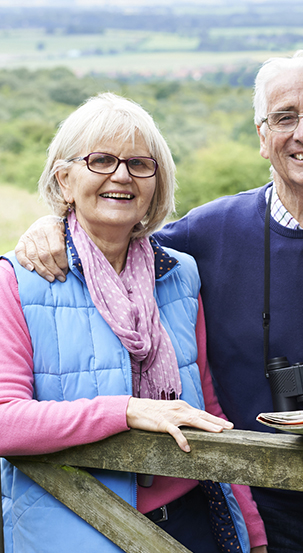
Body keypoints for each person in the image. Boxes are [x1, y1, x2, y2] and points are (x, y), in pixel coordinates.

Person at [14, 50, 303, 553]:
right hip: (253, 497)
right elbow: (118, 238)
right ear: (262, 136)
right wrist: (52, 227)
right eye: (284, 118)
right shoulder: (207, 234)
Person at [0, 93, 265, 552]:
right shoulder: (17, 281)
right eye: (100, 160)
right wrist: (125, 411)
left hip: (192, 520)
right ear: (65, 180)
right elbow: (5, 421)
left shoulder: (179, 274)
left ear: (155, 185)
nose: (121, 175)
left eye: (140, 164)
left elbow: (205, 406)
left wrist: (251, 530)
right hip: (74, 527)